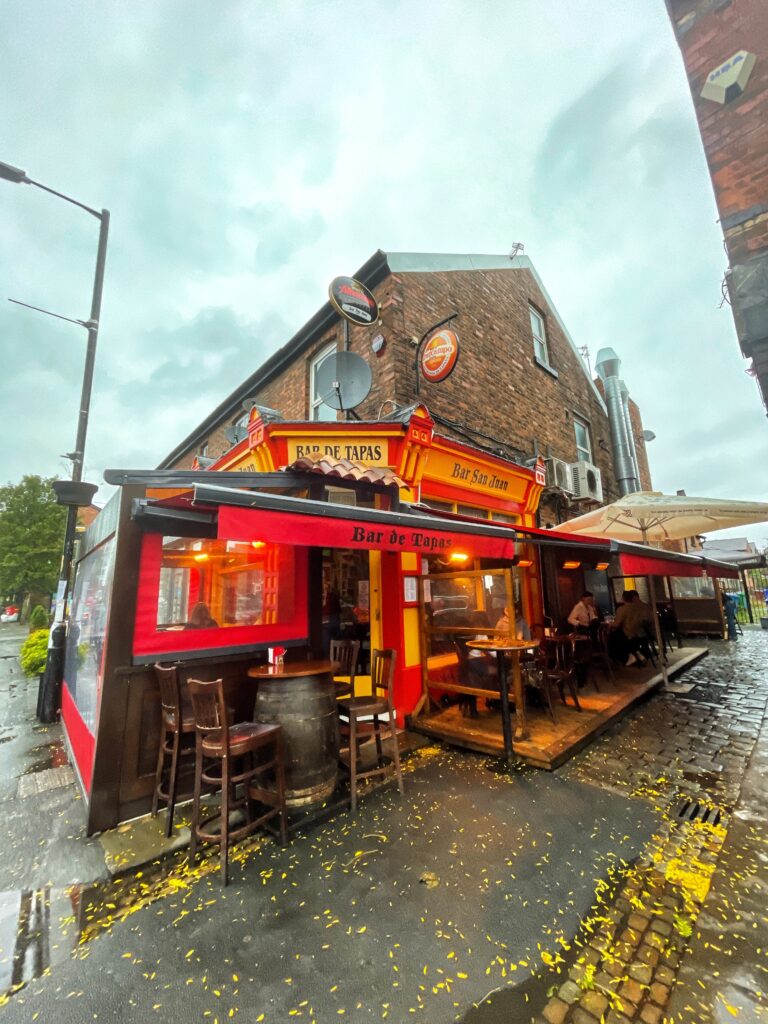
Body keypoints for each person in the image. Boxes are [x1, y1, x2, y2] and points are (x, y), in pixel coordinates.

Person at [610, 590, 648, 666]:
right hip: (640, 634)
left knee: (613, 637)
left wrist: (609, 625)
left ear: (623, 598)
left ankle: (628, 656)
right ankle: (636, 652)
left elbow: (616, 624)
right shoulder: (638, 608)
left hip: (628, 635)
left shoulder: (622, 609)